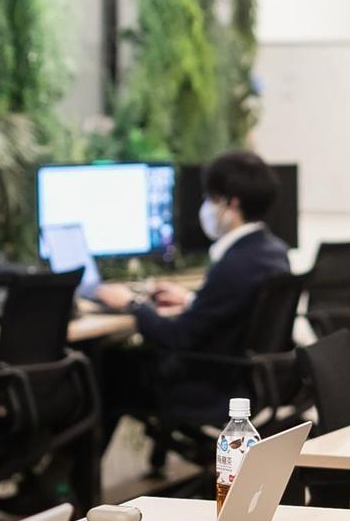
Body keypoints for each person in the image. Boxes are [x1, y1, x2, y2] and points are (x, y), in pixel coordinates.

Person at [94, 150, 291, 429]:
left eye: (210, 198)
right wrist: (191, 299)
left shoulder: (233, 265)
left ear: (231, 203)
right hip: (246, 379)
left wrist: (132, 303)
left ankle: (83, 459)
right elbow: (231, 309)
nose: (205, 207)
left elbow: (178, 336)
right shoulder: (272, 251)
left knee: (106, 367)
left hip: (207, 387)